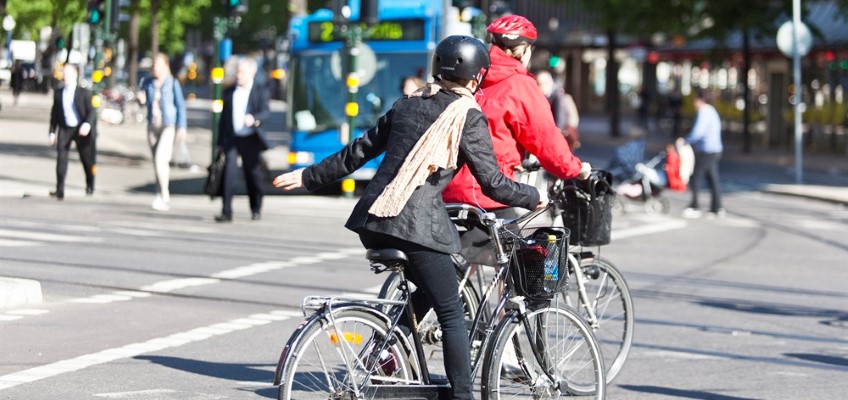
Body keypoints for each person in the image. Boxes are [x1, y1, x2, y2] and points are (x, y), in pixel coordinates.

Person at [273, 35, 541, 400]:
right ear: (476, 77)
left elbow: (359, 151)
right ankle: (462, 396)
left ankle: (387, 343)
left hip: (374, 222)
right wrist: (532, 196)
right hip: (413, 226)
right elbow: (493, 183)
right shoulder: (467, 115)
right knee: (451, 313)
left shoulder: (410, 102)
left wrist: (308, 176)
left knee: (445, 278)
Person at [441, 14, 590, 265]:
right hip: (487, 193)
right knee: (523, 258)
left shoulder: (473, 78)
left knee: (466, 261)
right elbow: (546, 140)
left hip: (448, 187)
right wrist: (575, 169)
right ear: (522, 51)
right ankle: (513, 304)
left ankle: (465, 296)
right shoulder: (519, 85)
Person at [215, 57, 272, 222]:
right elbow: (224, 120)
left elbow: (266, 111)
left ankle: (256, 207)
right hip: (232, 138)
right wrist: (220, 143)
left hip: (250, 138)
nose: (238, 75)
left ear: (252, 73)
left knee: (252, 174)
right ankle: (226, 211)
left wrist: (254, 118)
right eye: (237, 72)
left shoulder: (260, 90)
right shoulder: (229, 92)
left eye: (242, 72)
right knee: (229, 173)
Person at [138, 53, 188, 211]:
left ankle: (165, 195)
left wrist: (182, 126)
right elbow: (143, 101)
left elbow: (180, 105)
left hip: (168, 124)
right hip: (153, 125)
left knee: (161, 158)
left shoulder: (172, 83)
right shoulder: (147, 82)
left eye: (159, 66)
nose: (155, 69)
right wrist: (141, 99)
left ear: (166, 67)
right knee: (156, 162)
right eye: (154, 66)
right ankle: (159, 193)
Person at [48, 64, 96, 200]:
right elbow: (54, 115)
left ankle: (90, 183)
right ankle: (60, 189)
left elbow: (92, 111)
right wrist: (52, 132)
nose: (65, 76)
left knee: (86, 159)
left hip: (80, 129)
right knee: (61, 159)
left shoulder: (84, 92)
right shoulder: (58, 93)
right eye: (64, 73)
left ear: (75, 75)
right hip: (65, 128)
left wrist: (87, 124)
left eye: (69, 73)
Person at [679, 89, 724, 219]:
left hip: (706, 150)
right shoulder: (712, 111)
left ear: (700, 100)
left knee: (695, 178)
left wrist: (685, 140)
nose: (694, 103)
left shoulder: (704, 112)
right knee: (713, 179)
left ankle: (695, 206)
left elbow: (698, 132)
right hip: (715, 149)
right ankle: (717, 208)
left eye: (695, 100)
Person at [535, 69, 581, 149]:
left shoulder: (557, 96)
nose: (540, 87)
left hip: (558, 137)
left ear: (550, 82)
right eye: (537, 84)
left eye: (541, 84)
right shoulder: (545, 96)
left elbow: (560, 119)